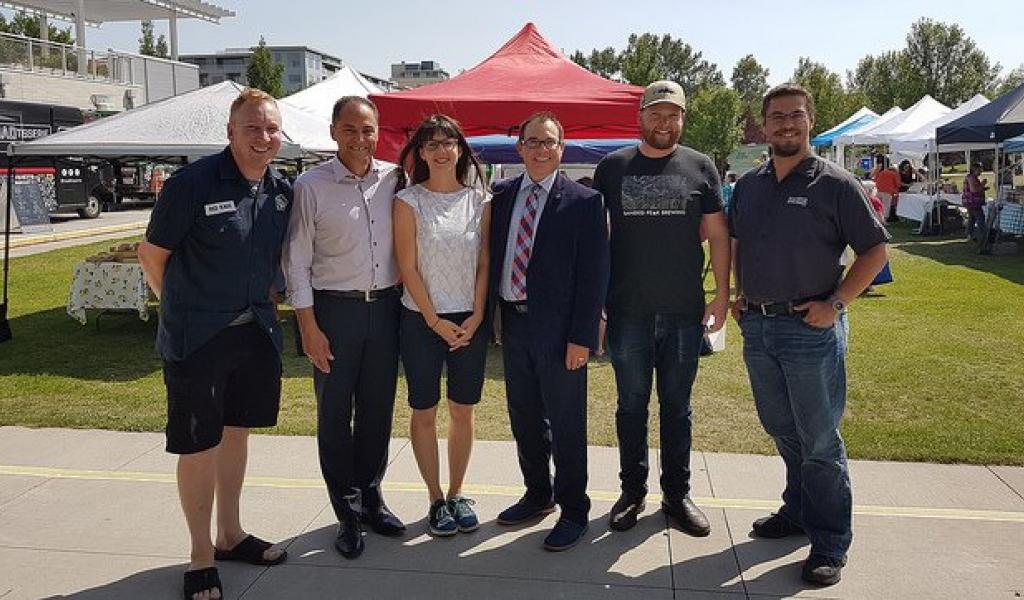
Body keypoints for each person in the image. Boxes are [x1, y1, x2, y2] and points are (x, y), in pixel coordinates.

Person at [729, 83, 889, 586]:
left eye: (795, 116)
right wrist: (738, 293)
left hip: (810, 329)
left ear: (810, 121)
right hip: (757, 326)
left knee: (820, 440)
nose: (785, 125)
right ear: (764, 125)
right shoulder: (750, 185)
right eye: (776, 117)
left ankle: (830, 542)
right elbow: (740, 242)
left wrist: (837, 303)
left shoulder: (837, 184)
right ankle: (797, 510)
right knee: (782, 428)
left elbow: (874, 252)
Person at [137, 88, 291, 600]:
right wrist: (181, 308)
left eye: (272, 129)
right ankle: (201, 555)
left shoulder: (280, 191)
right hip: (197, 338)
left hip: (254, 334)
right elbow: (152, 254)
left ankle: (230, 534)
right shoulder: (192, 183)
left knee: (237, 435)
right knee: (198, 446)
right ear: (230, 133)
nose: (264, 138)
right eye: (253, 129)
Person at [592, 80, 730, 536]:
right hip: (627, 311)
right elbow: (596, 242)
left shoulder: (701, 166)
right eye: (656, 113)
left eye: (673, 114)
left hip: (683, 312)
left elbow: (718, 235)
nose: (664, 123)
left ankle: (677, 495)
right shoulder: (612, 168)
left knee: (678, 407)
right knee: (631, 407)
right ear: (641, 116)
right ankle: (632, 493)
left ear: (683, 119)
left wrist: (722, 293)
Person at [283, 96, 405, 561]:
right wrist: (308, 326)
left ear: (378, 132)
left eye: (368, 130)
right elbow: (296, 260)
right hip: (334, 313)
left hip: (386, 310)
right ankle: (347, 513)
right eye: (350, 129)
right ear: (333, 132)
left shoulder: (395, 178)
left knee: (377, 410)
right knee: (335, 415)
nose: (360, 139)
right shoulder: (310, 186)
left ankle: (372, 498)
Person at [489, 111, 609, 552]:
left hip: (561, 332)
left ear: (562, 148)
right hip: (514, 324)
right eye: (533, 141)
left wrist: (582, 337)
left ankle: (574, 509)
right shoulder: (499, 196)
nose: (541, 149)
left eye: (549, 142)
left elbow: (594, 275)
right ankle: (538, 493)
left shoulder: (583, 201)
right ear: (519, 147)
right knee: (524, 417)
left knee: (565, 423)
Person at [393, 115, 491, 537]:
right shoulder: (408, 200)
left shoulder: (480, 200)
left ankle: (456, 492)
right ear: (420, 152)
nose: (440, 151)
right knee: (424, 411)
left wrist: (477, 314)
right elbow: (407, 265)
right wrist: (433, 319)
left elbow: (485, 261)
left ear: (460, 148)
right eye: (430, 144)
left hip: (470, 320)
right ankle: (434, 498)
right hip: (420, 320)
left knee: (463, 411)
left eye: (448, 142)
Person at [963, 162, 988, 241]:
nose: (981, 171)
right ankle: (982, 235)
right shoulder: (971, 178)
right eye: (979, 169)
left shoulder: (973, 177)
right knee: (980, 218)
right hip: (973, 202)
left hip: (971, 202)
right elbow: (973, 190)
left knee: (972, 219)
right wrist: (982, 185)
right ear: (974, 169)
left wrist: (982, 188)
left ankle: (969, 234)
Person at [872, 157, 901, 222]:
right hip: (888, 191)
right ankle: (883, 221)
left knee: (878, 206)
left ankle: (877, 219)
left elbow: (875, 179)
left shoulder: (880, 172)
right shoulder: (893, 173)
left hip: (879, 190)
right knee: (886, 207)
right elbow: (898, 184)